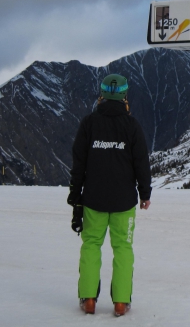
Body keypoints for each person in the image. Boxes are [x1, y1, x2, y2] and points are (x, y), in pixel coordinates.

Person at [67, 74, 152, 317]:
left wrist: (75, 194)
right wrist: (144, 193)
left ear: (102, 95)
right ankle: (121, 303)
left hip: (94, 199)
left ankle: (89, 299)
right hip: (124, 202)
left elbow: (79, 163)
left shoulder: (89, 123)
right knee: (123, 248)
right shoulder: (132, 126)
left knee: (91, 245)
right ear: (125, 95)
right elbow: (141, 163)